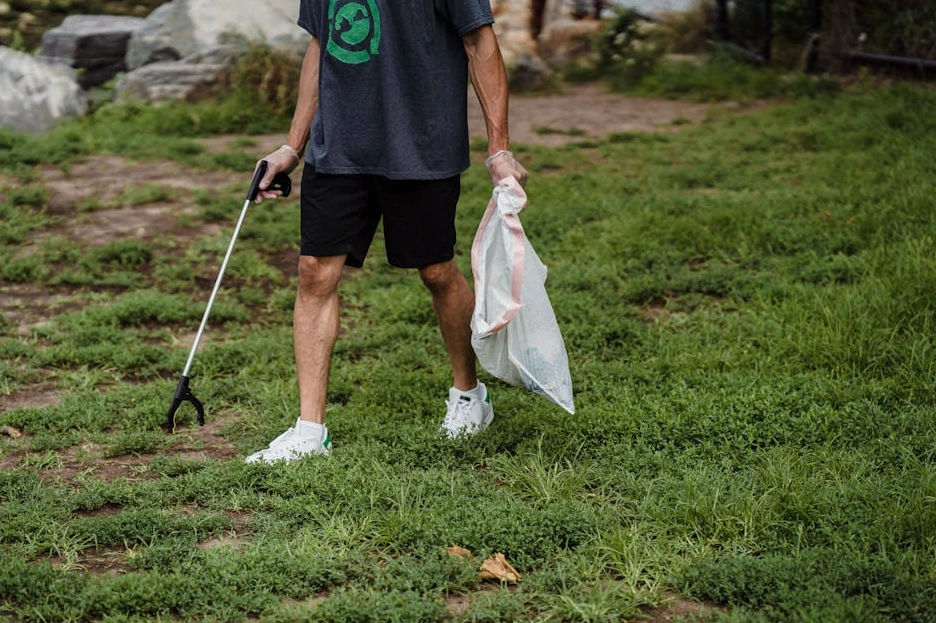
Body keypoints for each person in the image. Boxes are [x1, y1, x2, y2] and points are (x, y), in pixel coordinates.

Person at [244, 0, 528, 464]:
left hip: (422, 144)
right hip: (338, 148)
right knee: (315, 270)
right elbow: (322, 46)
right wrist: (291, 147)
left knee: (437, 271)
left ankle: (469, 395)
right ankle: (310, 430)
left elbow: (479, 41)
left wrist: (498, 149)